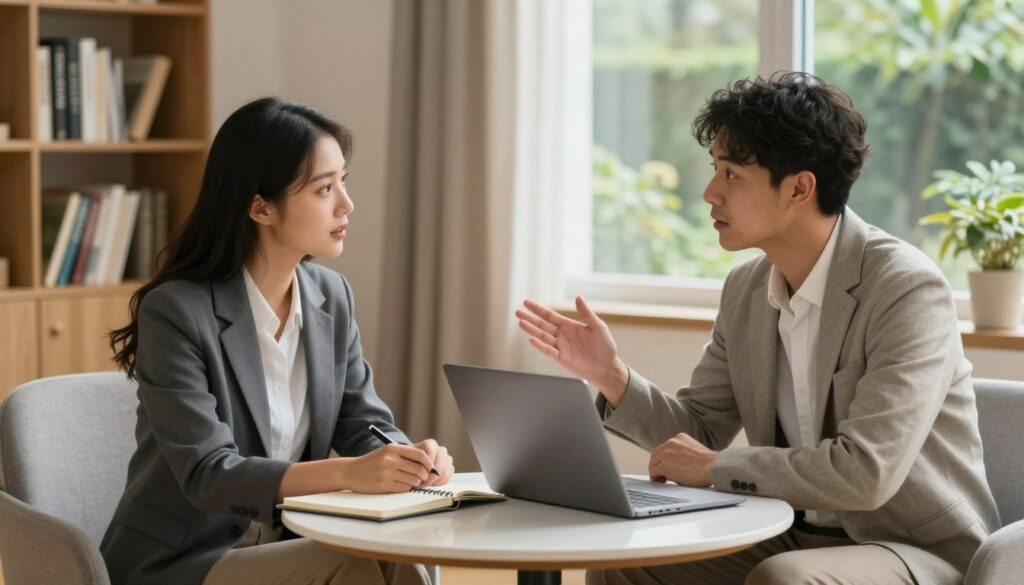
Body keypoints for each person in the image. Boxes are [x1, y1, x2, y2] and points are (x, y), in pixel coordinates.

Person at [516, 73, 999, 585]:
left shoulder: (905, 289)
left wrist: (716, 468)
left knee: (784, 578)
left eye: (732, 176)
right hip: (790, 529)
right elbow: (700, 432)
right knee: (628, 561)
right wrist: (611, 374)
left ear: (799, 188)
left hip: (911, 547)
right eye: (714, 171)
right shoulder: (746, 289)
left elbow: (867, 474)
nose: (709, 194)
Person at [103, 97, 452, 585]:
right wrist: (350, 474)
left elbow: (364, 421)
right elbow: (209, 471)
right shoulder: (178, 312)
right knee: (348, 566)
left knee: (407, 553)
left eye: (343, 182)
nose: (346, 204)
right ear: (260, 207)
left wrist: (410, 458)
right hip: (183, 560)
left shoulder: (331, 296)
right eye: (324, 188)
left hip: (287, 541)